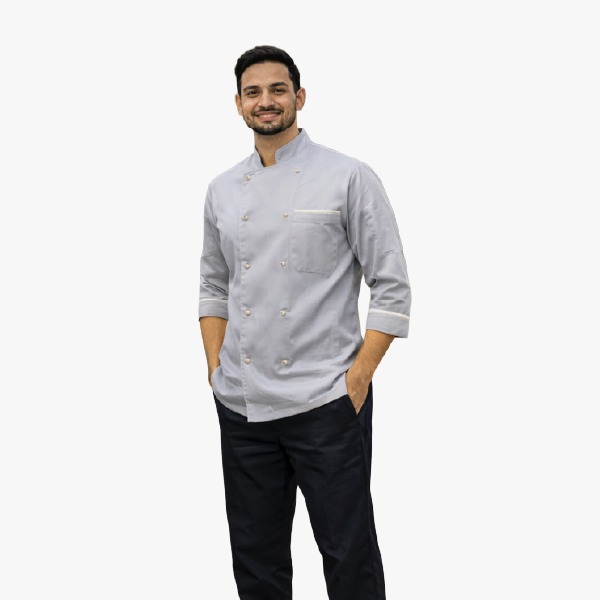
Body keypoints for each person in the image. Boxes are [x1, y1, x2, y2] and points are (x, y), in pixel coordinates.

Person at [198, 45, 411, 600]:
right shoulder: (222, 190)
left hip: (326, 402)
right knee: (257, 559)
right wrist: (216, 369)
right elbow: (214, 286)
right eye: (253, 92)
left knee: (348, 555)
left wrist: (357, 379)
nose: (265, 101)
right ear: (238, 104)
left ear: (300, 96)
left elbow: (391, 285)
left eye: (277, 89)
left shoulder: (347, 176)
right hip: (243, 405)